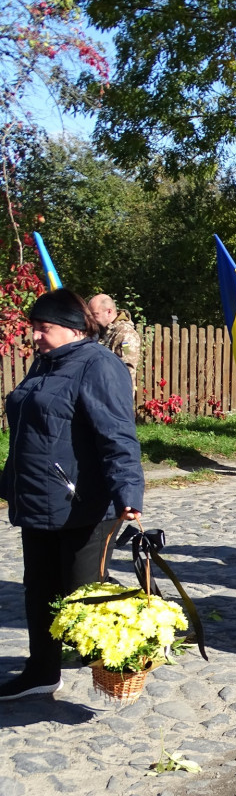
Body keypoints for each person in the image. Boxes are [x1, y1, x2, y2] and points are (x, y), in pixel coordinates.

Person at [0, 289, 144, 700]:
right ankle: (41, 671)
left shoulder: (100, 365)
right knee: (40, 591)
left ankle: (123, 665)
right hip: (36, 499)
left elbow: (117, 434)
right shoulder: (45, 363)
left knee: (86, 597)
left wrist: (128, 493)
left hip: (82, 505)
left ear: (74, 329)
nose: (35, 337)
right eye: (34, 328)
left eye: (44, 329)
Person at [88, 293, 141, 394]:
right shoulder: (102, 331)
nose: (91, 319)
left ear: (109, 312)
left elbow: (127, 369)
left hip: (115, 396)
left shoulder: (125, 334)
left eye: (95, 314)